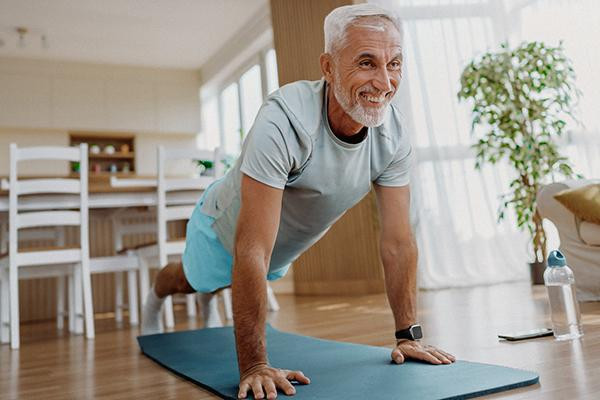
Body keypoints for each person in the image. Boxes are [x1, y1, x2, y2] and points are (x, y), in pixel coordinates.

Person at [141, 3, 455, 399]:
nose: (385, 81)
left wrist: (408, 335)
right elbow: (250, 246)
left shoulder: (393, 136)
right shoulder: (284, 121)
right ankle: (155, 294)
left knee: (246, 274)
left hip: (280, 245)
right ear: (328, 67)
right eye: (366, 62)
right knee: (192, 280)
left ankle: (211, 301)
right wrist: (254, 365)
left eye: (394, 63)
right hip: (224, 226)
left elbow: (397, 241)